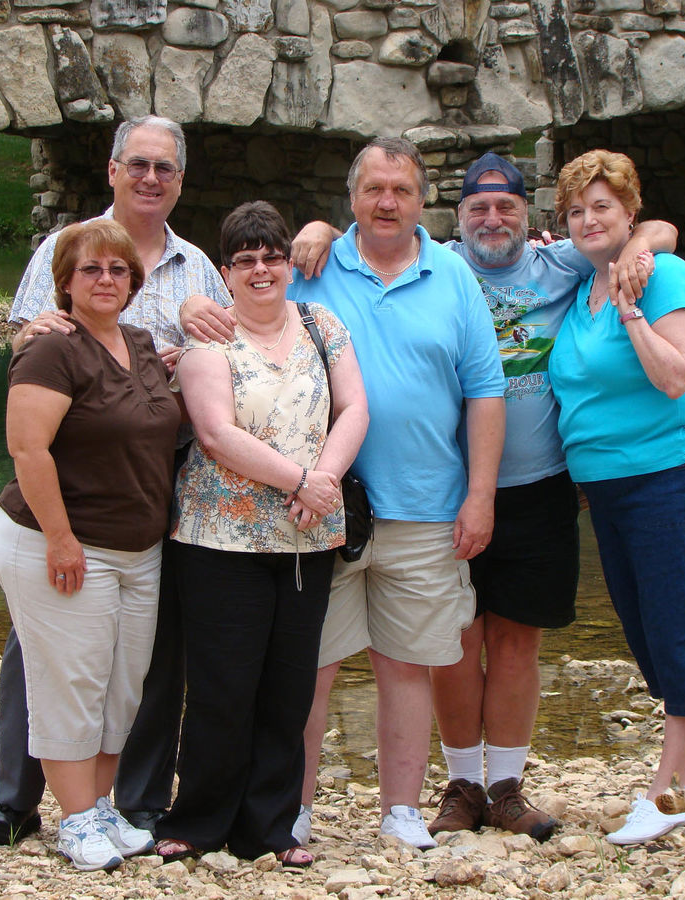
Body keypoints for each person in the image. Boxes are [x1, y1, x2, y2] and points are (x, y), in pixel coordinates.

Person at [288, 152, 679, 840]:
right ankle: (460, 784)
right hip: (444, 492)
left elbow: (655, 231)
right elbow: (366, 229)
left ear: (530, 218)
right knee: (451, 645)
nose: (492, 219)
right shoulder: (438, 262)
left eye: (506, 207)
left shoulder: (561, 264)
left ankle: (505, 787)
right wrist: (318, 228)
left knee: (516, 639)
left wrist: (643, 244)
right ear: (456, 216)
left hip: (537, 488)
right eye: (478, 208)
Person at [185, 138, 506, 850]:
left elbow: (485, 391)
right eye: (373, 190)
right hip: (320, 511)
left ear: (423, 200)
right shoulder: (314, 265)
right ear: (351, 199)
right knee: (308, 672)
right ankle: (290, 810)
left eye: (402, 190)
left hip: (426, 505)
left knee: (408, 664)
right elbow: (247, 305)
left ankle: (400, 810)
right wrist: (189, 312)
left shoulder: (453, 275)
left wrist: (480, 493)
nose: (387, 202)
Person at [0, 115, 231, 847]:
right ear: (113, 170)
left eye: (167, 169)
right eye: (139, 165)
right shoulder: (68, 248)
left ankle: (133, 802)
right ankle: (22, 800)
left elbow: (234, 343)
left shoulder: (198, 269)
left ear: (180, 181)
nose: (152, 179)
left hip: (160, 484)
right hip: (73, 488)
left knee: (139, 659)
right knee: (46, 650)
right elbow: (29, 347)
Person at [151, 201, 368, 868]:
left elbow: (355, 405)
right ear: (226, 271)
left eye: (271, 255)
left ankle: (270, 827)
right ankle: (200, 819)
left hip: (307, 538)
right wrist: (301, 481)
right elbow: (216, 434)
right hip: (221, 541)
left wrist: (325, 479)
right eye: (244, 259)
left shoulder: (320, 322)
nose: (261, 268)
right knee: (222, 686)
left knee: (288, 687)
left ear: (286, 264)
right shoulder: (207, 337)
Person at [547, 149, 685, 845]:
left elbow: (677, 376)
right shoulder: (581, 284)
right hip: (613, 487)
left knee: (677, 624)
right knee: (649, 631)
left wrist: (631, 312)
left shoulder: (663, 278)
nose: (589, 219)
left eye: (603, 206)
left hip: (676, 473)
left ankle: (662, 799)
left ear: (630, 213)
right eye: (576, 210)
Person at [0, 219, 181, 870]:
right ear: (65, 282)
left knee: (120, 689)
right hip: (67, 542)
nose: (106, 280)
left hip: (139, 548)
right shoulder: (52, 348)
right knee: (69, 682)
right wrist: (61, 539)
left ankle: (99, 807)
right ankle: (74, 821)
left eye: (118, 270)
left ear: (133, 283)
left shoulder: (142, 342)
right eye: (91, 270)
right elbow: (27, 447)